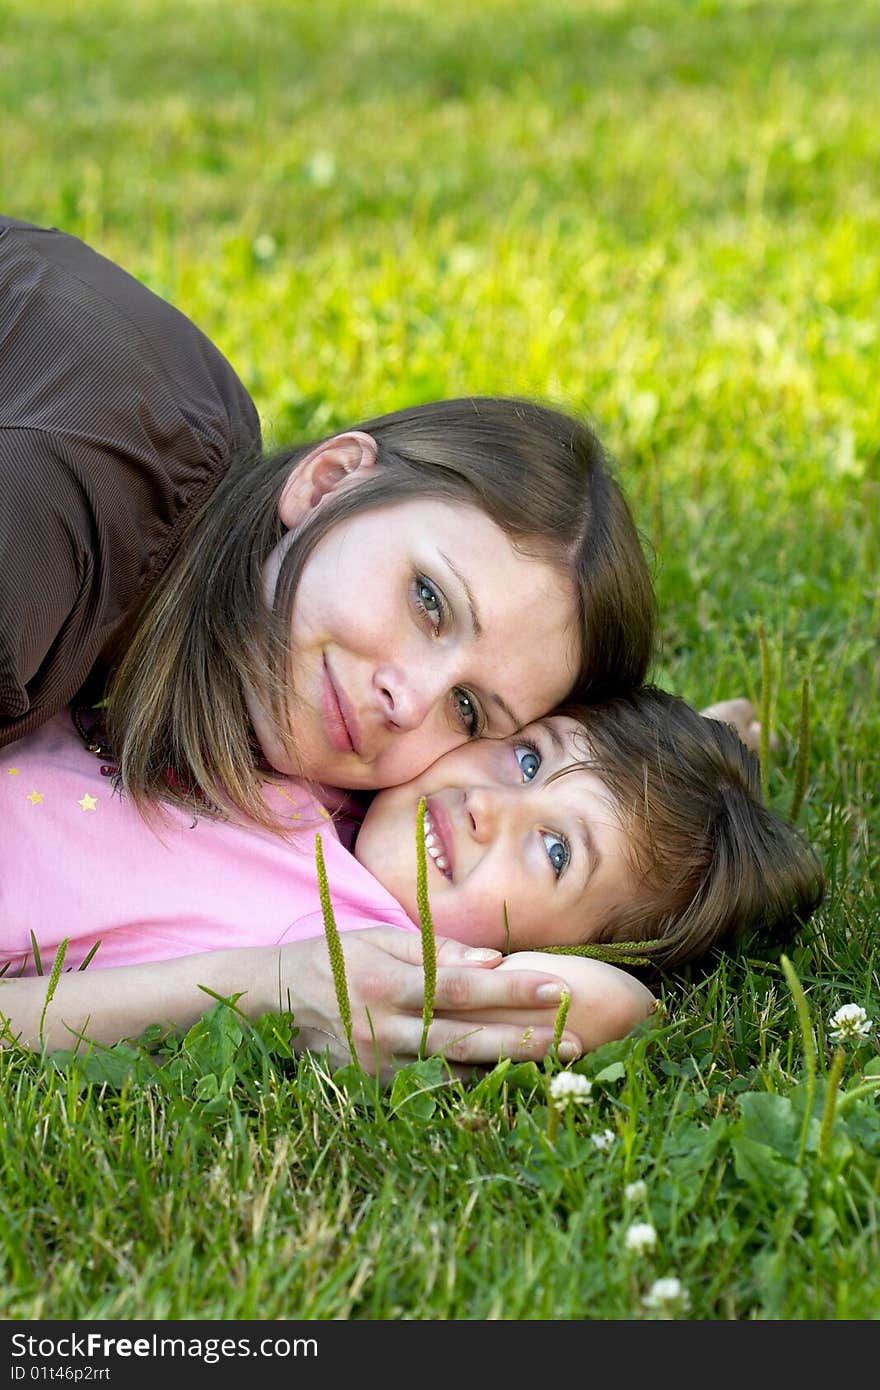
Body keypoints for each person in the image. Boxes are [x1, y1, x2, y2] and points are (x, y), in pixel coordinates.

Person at [0, 211, 659, 1070]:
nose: (408, 701)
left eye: (469, 710)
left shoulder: (199, 502)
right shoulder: (59, 514)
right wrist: (266, 987)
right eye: (429, 600)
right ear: (329, 482)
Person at [0, 688, 823, 1070]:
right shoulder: (340, 764)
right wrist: (718, 734)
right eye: (528, 757)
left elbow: (610, 1005)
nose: (485, 806)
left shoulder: (340, 946)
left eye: (557, 852)